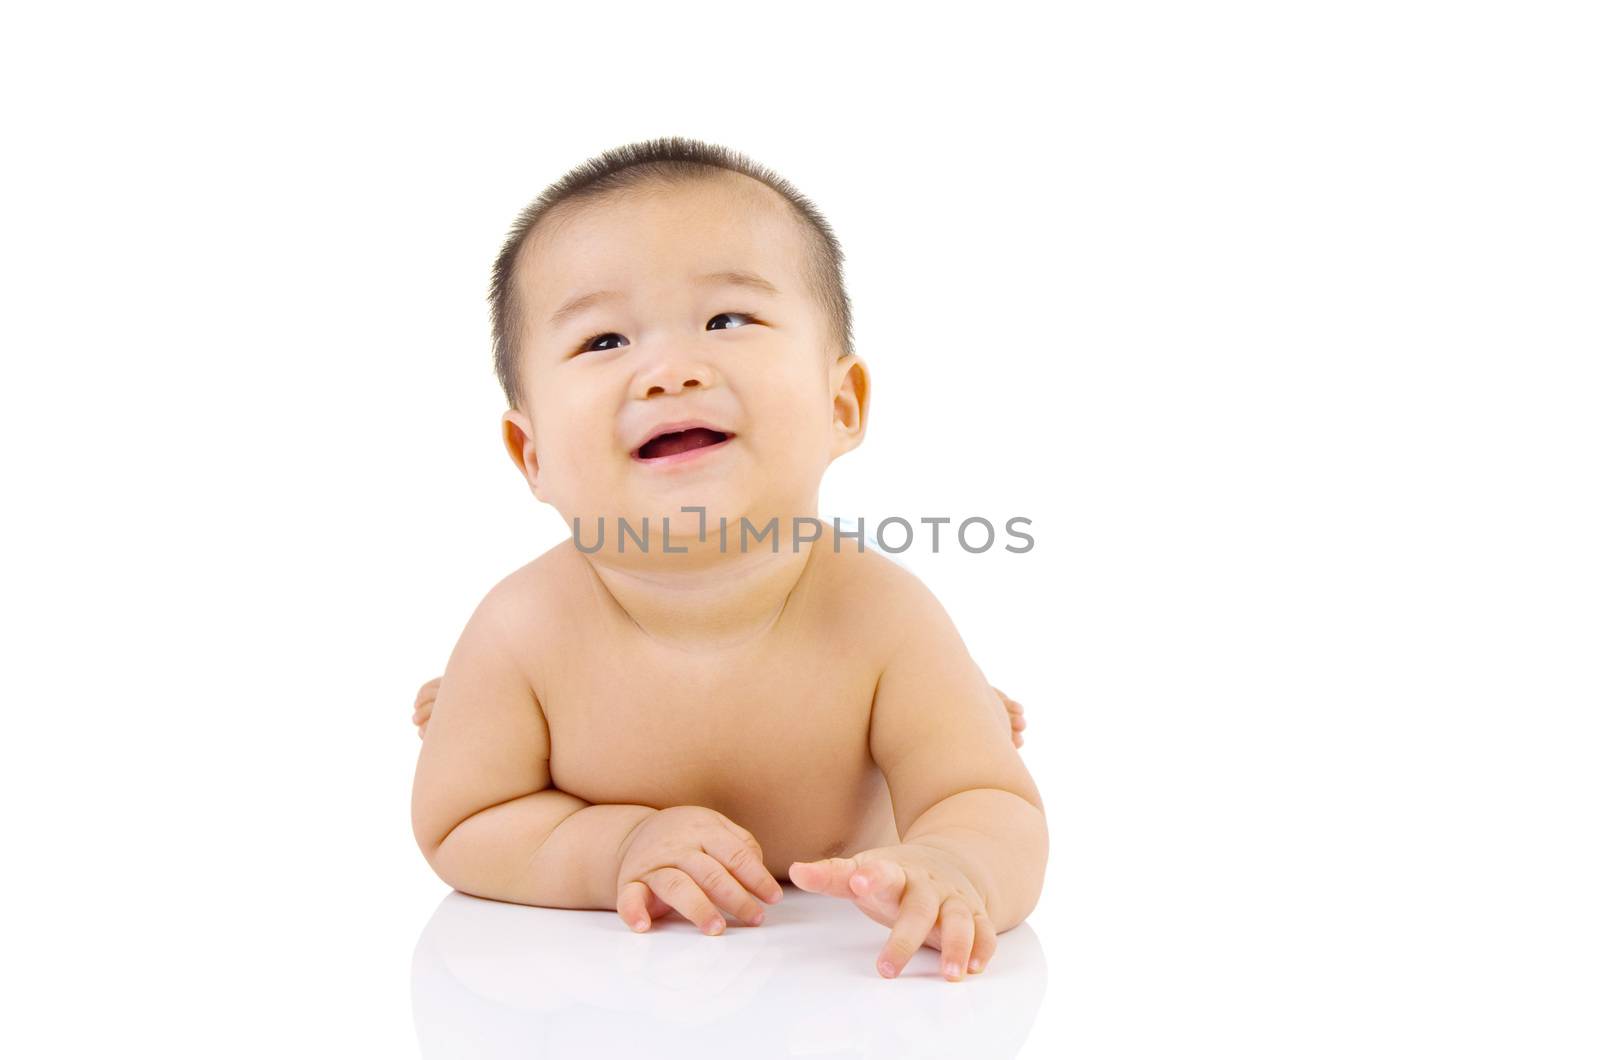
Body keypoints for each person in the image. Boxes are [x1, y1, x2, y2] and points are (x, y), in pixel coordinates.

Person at [410, 136, 1047, 983]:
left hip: (842, 1000)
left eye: (727, 319)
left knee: (963, 731)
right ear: (531, 454)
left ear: (841, 403)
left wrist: (961, 864)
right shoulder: (525, 631)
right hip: (610, 1009)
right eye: (603, 341)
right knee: (475, 731)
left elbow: (989, 801)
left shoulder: (882, 618)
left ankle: (953, 705)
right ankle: (472, 721)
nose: (670, 372)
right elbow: (462, 821)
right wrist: (612, 847)